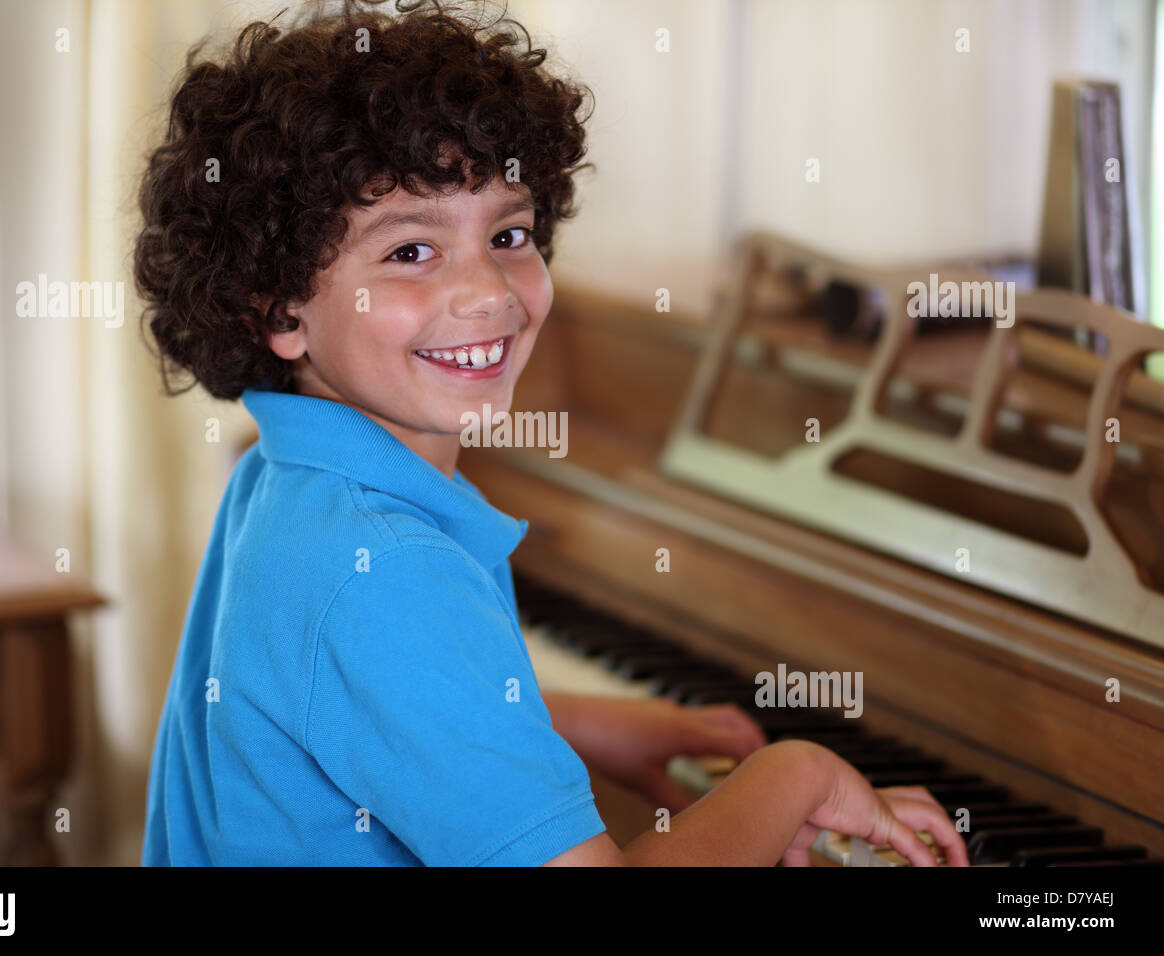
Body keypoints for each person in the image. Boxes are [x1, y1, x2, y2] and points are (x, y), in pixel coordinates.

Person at [135, 0, 968, 867]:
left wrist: (576, 723)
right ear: (279, 309)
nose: (490, 292)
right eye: (410, 251)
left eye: (509, 232)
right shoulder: (387, 567)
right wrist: (798, 777)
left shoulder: (288, 479)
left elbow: (372, 711)